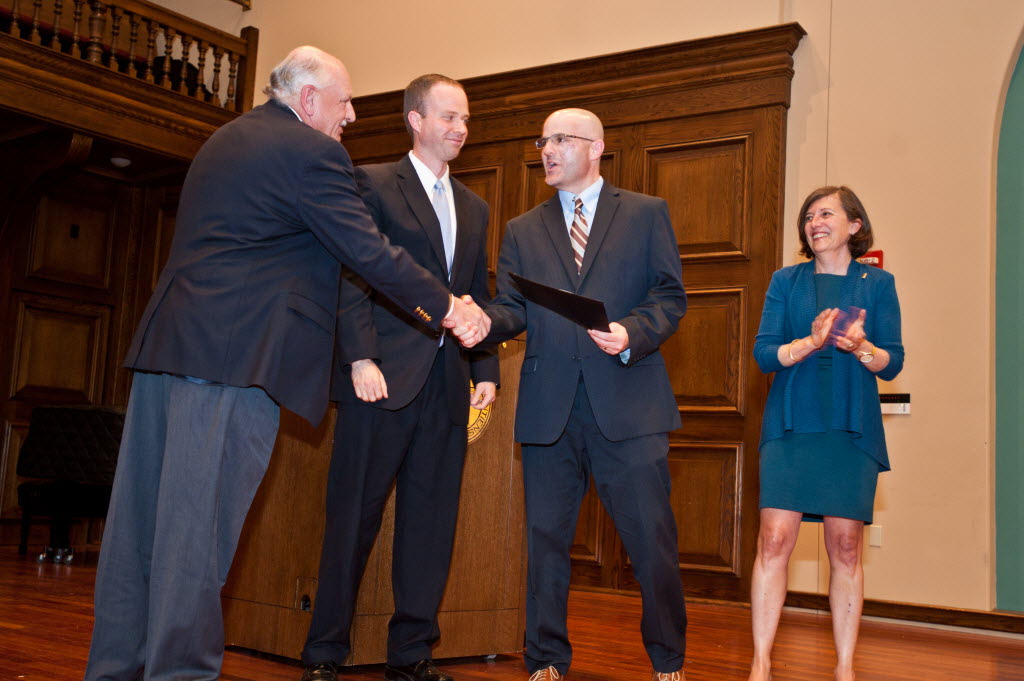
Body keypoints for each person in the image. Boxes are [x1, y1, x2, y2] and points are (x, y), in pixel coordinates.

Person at [83, 47, 490, 681]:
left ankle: (115, 670)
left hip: (169, 351)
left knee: (139, 531)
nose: (351, 115)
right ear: (308, 101)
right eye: (344, 102)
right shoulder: (312, 153)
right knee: (198, 538)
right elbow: (367, 250)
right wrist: (447, 306)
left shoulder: (228, 136)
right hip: (233, 363)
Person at [299, 74, 499, 681]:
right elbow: (351, 273)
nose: (460, 129)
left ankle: (411, 653)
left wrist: (484, 368)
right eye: (448, 117)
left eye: (465, 119)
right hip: (380, 379)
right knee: (352, 519)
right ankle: (324, 653)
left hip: (447, 383)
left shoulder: (476, 205)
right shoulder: (374, 182)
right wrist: (359, 357)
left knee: (431, 522)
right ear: (415, 119)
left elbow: (477, 293)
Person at [485, 108, 689, 681]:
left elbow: (670, 297)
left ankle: (668, 660)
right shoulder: (523, 228)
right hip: (550, 409)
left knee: (651, 542)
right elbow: (511, 309)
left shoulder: (646, 214)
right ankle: (546, 660)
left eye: (560, 139)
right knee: (545, 544)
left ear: (596, 147)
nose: (546, 149)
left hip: (628, 402)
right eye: (542, 140)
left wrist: (633, 332)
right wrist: (481, 322)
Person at [748, 186, 904, 681]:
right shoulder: (785, 281)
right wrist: (809, 342)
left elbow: (891, 361)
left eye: (826, 214)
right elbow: (764, 354)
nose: (814, 222)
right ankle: (761, 663)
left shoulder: (877, 284)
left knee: (846, 548)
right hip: (791, 424)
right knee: (773, 541)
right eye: (809, 216)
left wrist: (861, 346)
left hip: (849, 430)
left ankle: (844, 668)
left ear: (854, 225)